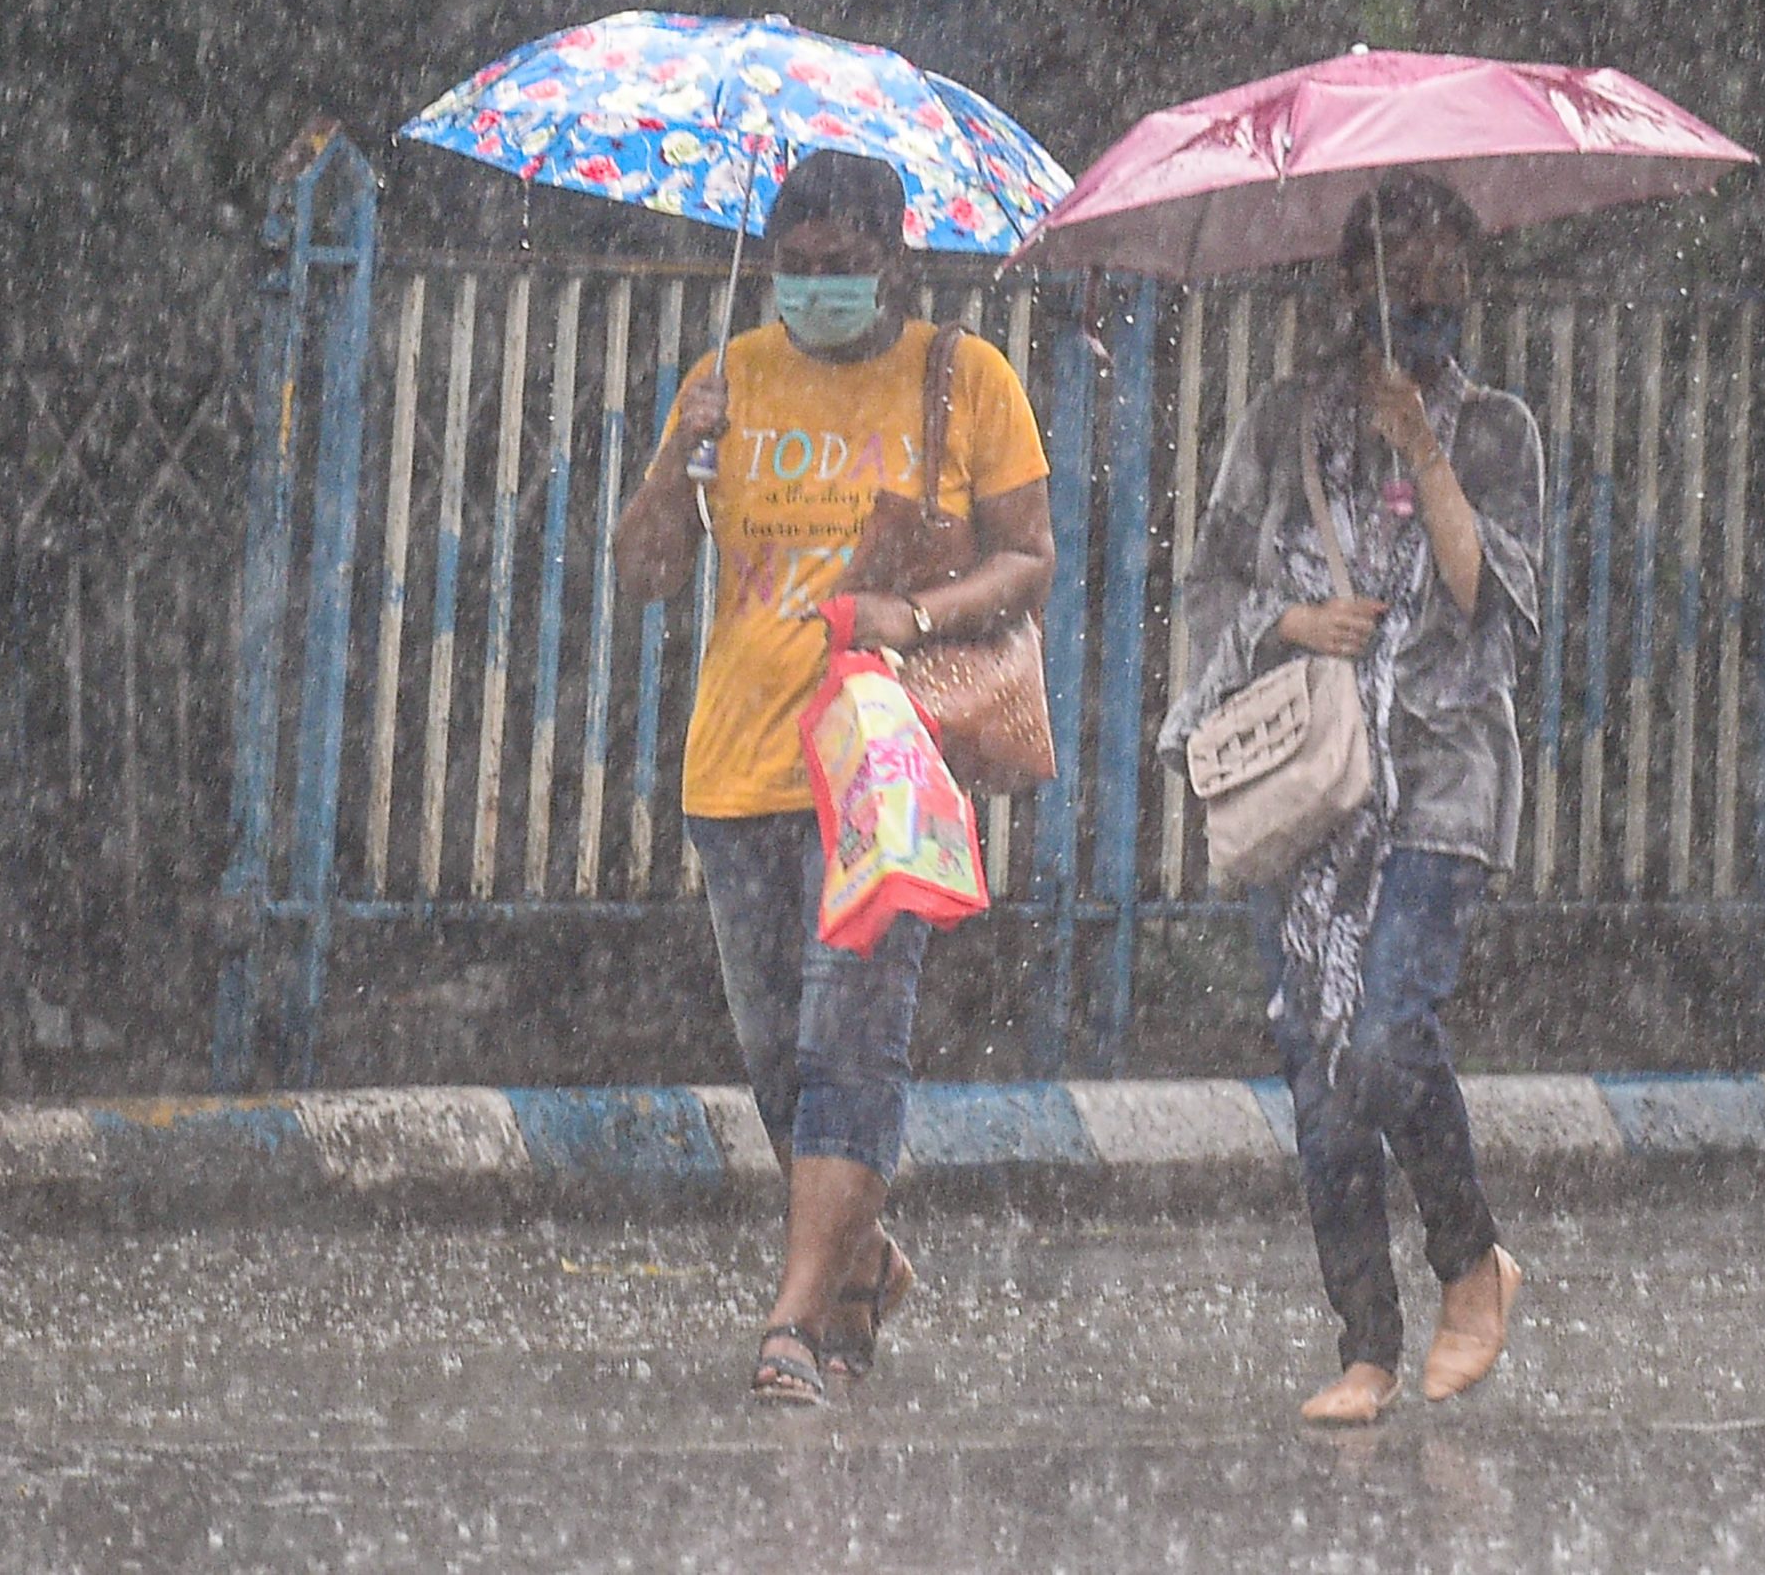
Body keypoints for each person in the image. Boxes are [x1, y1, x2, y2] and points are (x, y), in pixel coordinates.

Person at [616, 149, 1055, 1403]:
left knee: (851, 1039)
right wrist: (676, 460)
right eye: (796, 268)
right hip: (737, 764)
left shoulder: (965, 378)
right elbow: (644, 572)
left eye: (841, 265)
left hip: (883, 766)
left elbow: (1029, 557)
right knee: (778, 1055)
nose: (815, 288)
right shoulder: (728, 378)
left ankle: (796, 1324)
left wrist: (912, 616)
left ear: (891, 263)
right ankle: (860, 1260)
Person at [1161, 172, 1543, 1425]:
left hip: (1438, 778)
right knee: (1318, 1067)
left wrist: (1421, 447)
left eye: (1444, 281)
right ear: (1347, 285)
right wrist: (1290, 621)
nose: (1422, 303)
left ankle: (1470, 1260)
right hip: (1310, 786)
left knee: (1383, 1034)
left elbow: (1492, 602)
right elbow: (1212, 584)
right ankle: (1366, 1343)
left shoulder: (1496, 431)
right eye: (1398, 280)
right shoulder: (1279, 424)